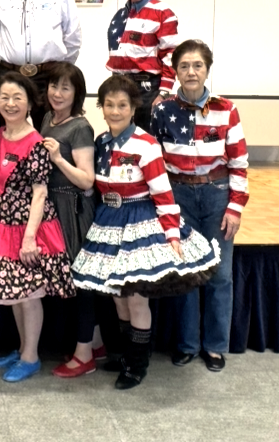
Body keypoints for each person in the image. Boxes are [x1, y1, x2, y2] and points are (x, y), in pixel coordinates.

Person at [70, 75, 220, 390]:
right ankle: (128, 355)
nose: (115, 111)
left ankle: (137, 365)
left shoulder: (146, 144)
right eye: (109, 105)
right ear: (101, 107)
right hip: (109, 220)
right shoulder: (101, 143)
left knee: (136, 300)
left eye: (122, 105)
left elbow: (163, 193)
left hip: (141, 221)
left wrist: (172, 235)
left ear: (133, 107)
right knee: (118, 298)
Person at [0, 72, 76, 383]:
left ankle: (31, 357)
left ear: (30, 104)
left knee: (30, 294)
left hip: (27, 226)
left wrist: (29, 238)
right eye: (5, 98)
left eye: (17, 98)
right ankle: (23, 348)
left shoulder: (35, 143)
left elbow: (40, 193)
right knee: (15, 292)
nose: (10, 104)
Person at [151, 40, 249, 373]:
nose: (191, 72)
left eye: (197, 66)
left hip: (216, 194)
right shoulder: (162, 111)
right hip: (179, 196)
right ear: (175, 71)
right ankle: (187, 344)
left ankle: (216, 346)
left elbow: (239, 162)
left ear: (207, 70)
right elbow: (155, 161)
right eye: (184, 66)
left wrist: (235, 207)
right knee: (186, 273)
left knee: (220, 274)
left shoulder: (227, 109)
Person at [37, 63, 100, 378]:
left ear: (77, 94)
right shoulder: (48, 118)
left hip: (73, 209)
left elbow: (87, 179)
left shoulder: (80, 127)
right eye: (54, 86)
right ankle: (94, 343)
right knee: (66, 278)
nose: (58, 93)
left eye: (65, 88)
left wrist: (58, 158)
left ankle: (84, 355)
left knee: (80, 280)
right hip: (52, 206)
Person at [106, 0, 179, 128]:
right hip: (118, 87)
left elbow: (171, 56)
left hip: (148, 91)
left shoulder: (163, 13)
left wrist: (163, 93)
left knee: (146, 139)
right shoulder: (120, 16)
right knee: (119, 136)